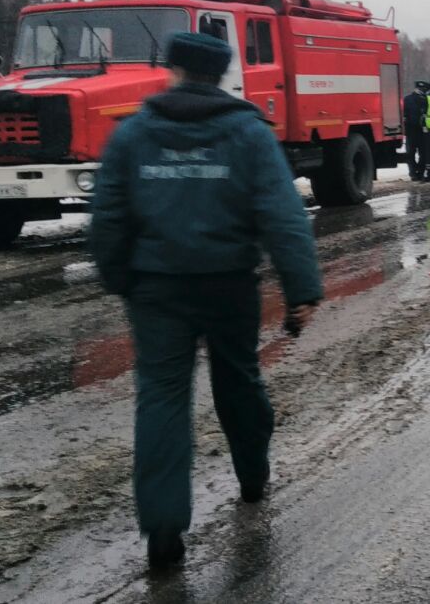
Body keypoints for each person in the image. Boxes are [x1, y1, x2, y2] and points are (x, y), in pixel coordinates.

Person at [88, 32, 324, 572]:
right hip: (228, 284)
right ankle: (252, 476)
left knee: (162, 397)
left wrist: (121, 276)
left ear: (172, 69)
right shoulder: (248, 134)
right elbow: (283, 216)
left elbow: (107, 215)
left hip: (156, 288)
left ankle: (164, 529)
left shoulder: (134, 134)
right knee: (238, 379)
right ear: (221, 74)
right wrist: (302, 291)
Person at [402, 80, 429, 180]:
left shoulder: (408, 99)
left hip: (416, 131)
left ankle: (416, 172)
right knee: (417, 153)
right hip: (417, 131)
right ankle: (417, 172)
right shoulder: (425, 99)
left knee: (415, 153)